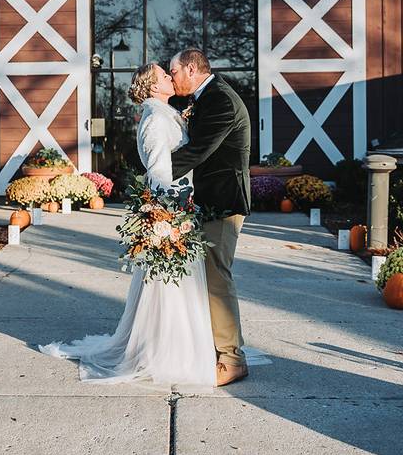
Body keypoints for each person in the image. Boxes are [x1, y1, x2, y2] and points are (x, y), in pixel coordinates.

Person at [38, 62, 217, 386]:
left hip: (182, 205)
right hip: (170, 211)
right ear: (152, 86)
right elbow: (159, 169)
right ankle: (162, 350)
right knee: (166, 287)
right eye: (164, 75)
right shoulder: (153, 118)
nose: (170, 77)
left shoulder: (166, 112)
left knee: (179, 286)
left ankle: (185, 346)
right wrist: (167, 215)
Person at [169, 48, 252, 387]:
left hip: (224, 201)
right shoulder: (207, 97)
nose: (172, 78)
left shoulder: (220, 100)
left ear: (191, 69)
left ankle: (232, 359)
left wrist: (156, 174)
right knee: (208, 275)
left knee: (217, 278)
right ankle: (216, 349)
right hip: (210, 200)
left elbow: (198, 150)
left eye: (173, 72)